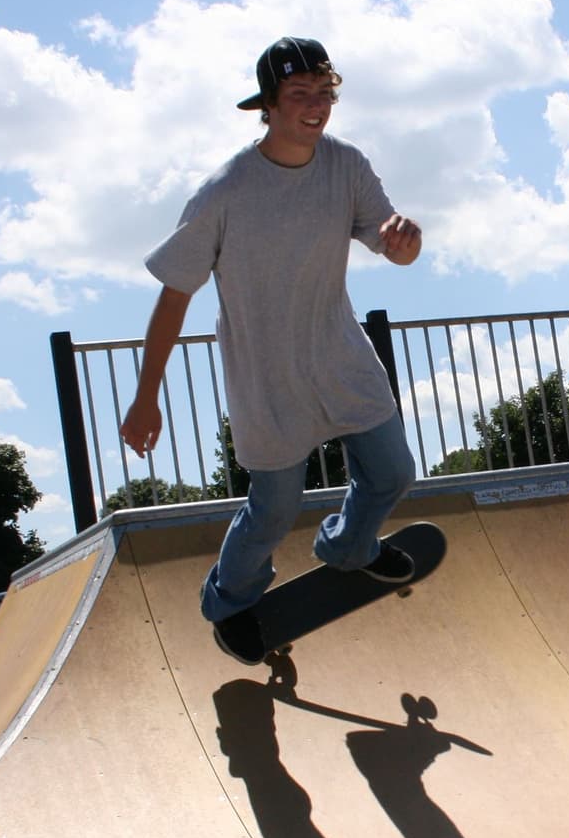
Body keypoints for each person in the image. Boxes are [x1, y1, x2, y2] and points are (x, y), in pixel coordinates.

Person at [120, 36, 423, 662]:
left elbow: (395, 246)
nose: (314, 107)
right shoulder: (224, 192)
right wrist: (147, 398)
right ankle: (230, 599)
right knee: (274, 508)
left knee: (393, 471)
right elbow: (174, 298)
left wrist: (404, 241)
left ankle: (348, 547)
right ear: (269, 104)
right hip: (265, 378)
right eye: (298, 95)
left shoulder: (347, 166)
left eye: (323, 94)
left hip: (339, 355)